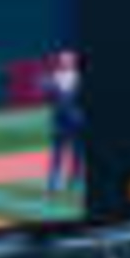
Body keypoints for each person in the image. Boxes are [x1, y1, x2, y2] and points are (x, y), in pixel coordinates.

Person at [43, 48, 86, 194]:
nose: (65, 61)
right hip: (59, 121)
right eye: (62, 59)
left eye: (67, 59)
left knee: (78, 152)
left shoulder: (79, 77)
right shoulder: (54, 77)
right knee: (57, 153)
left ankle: (74, 180)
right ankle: (53, 183)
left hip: (77, 121)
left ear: (73, 61)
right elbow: (48, 95)